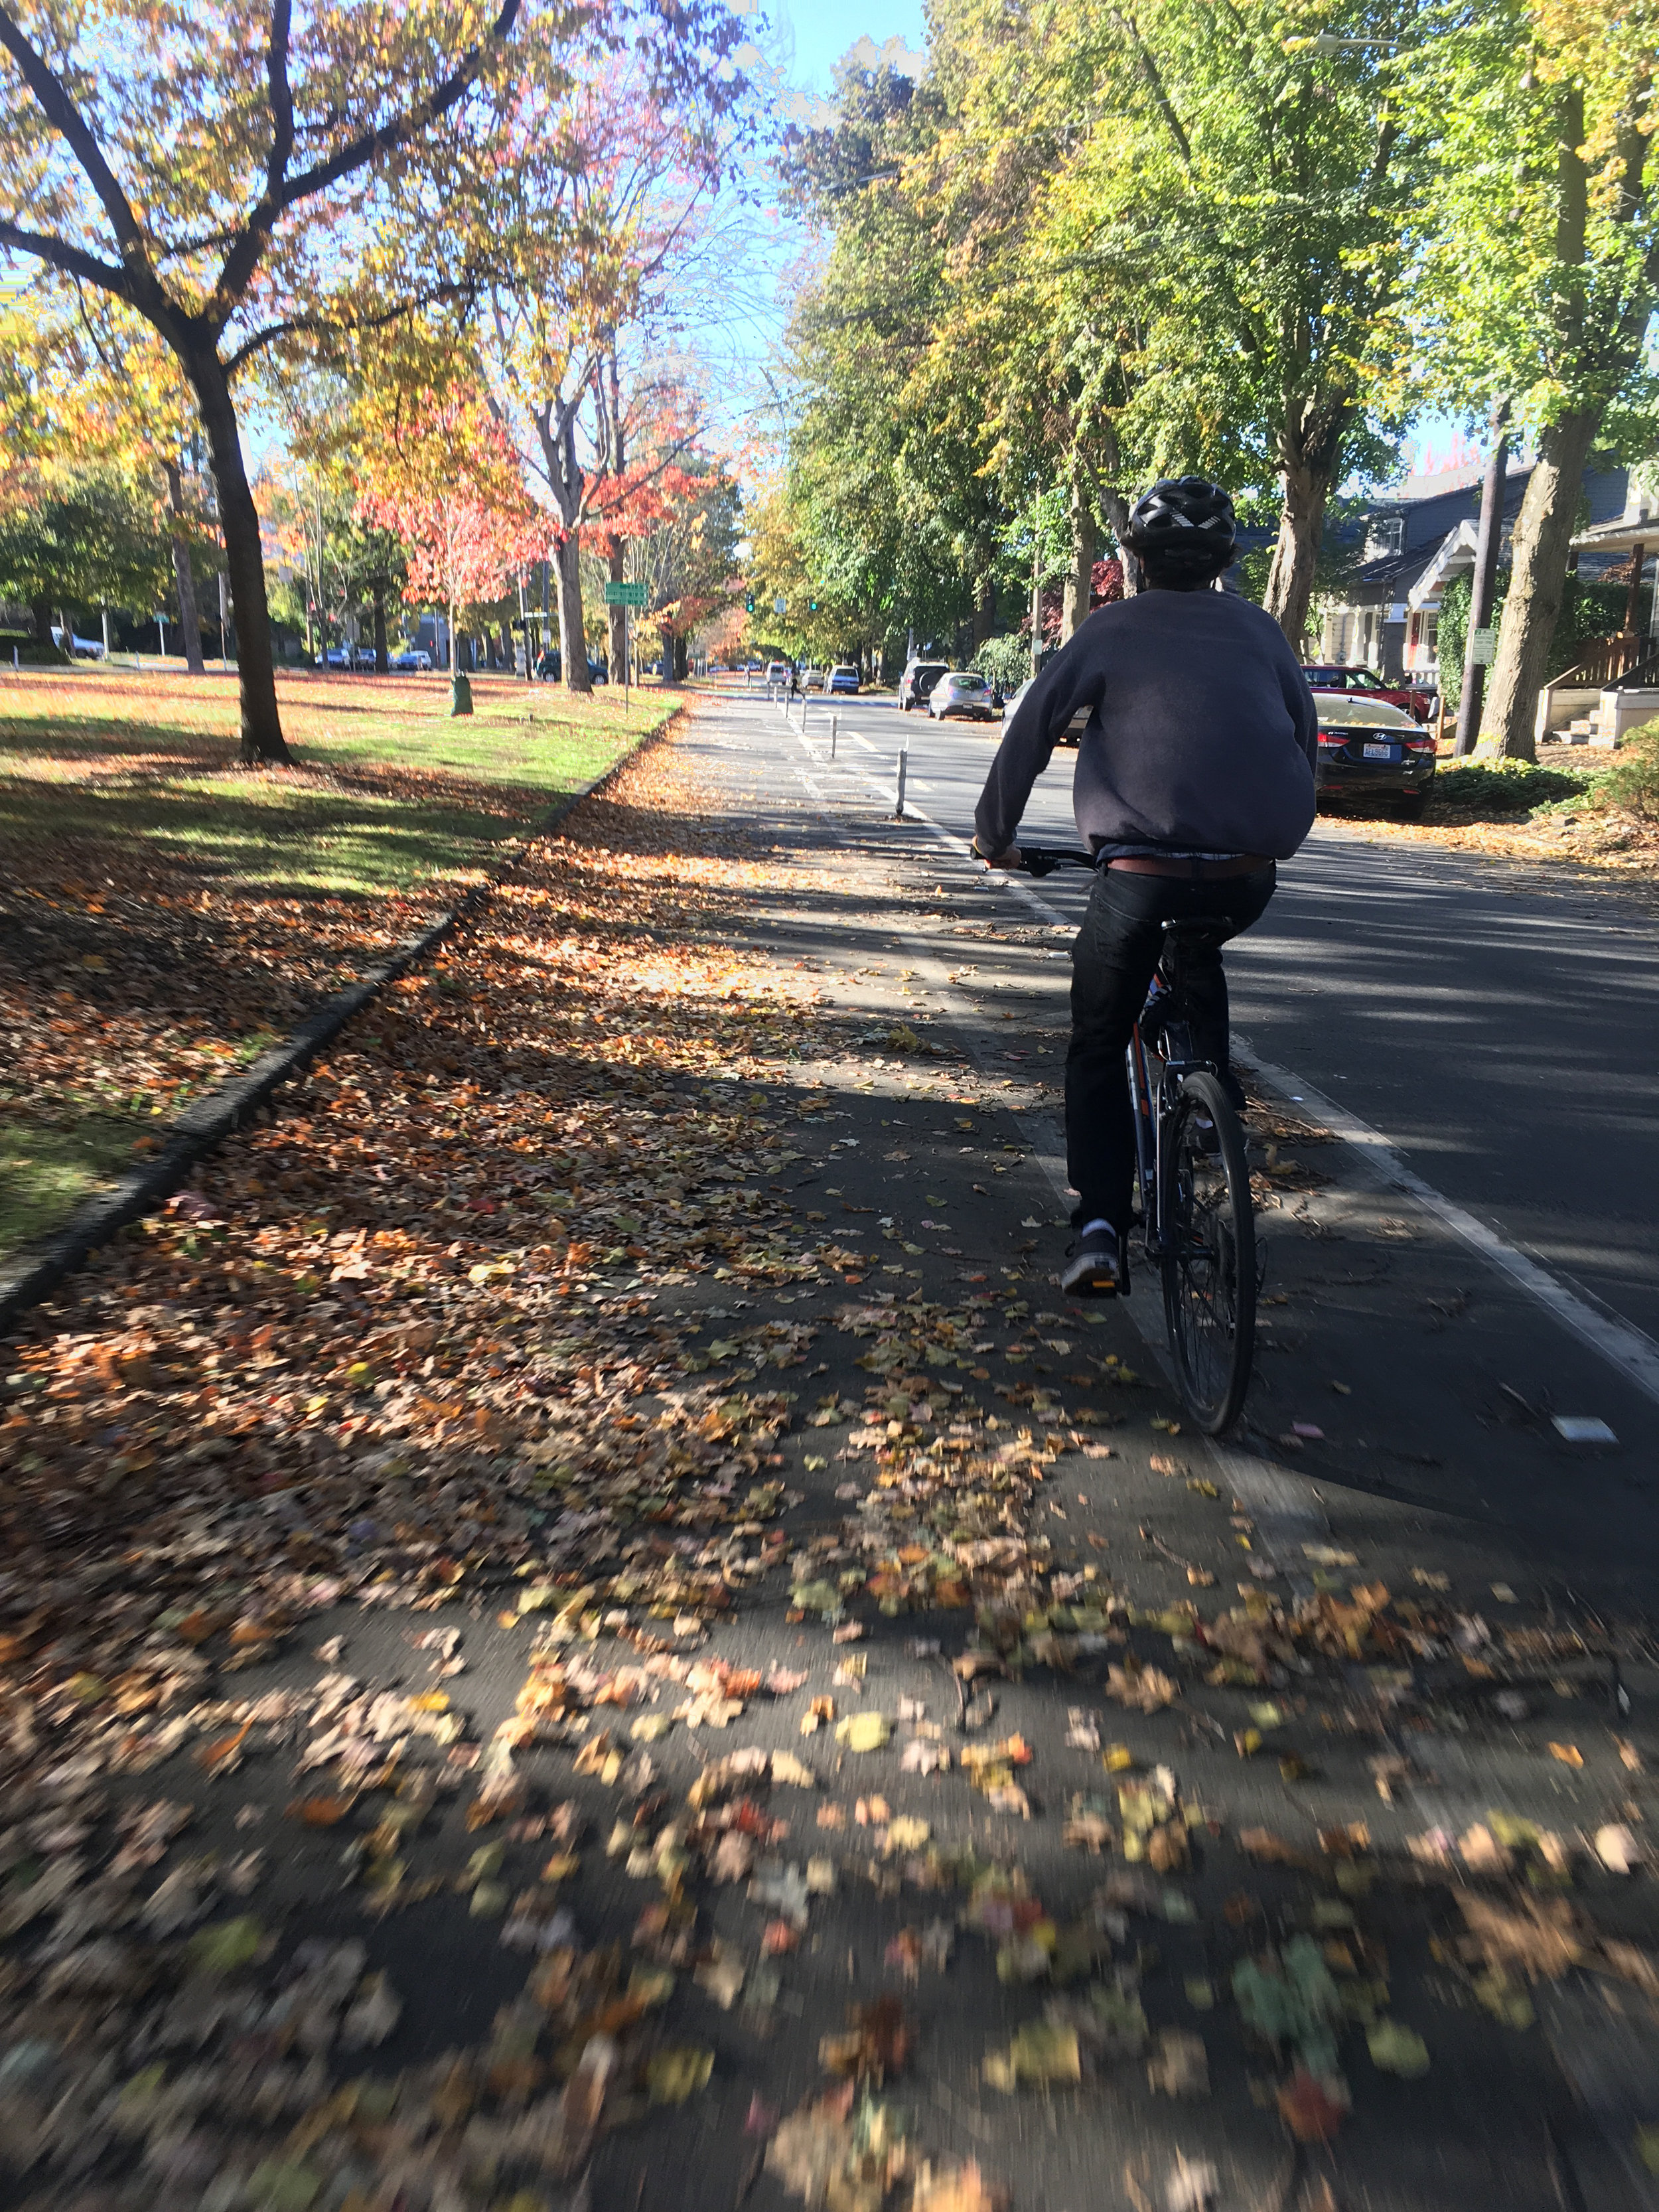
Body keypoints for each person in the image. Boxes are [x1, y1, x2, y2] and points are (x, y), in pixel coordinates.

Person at [970, 476, 1318, 1298]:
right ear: (1225, 561)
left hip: (1137, 879)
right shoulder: (1263, 634)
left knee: (1098, 1040)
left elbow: (1029, 734)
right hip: (1245, 876)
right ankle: (1211, 1100)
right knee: (1200, 946)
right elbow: (1303, 740)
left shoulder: (1108, 629)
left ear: (1137, 559)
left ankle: (1098, 1226)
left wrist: (996, 839)